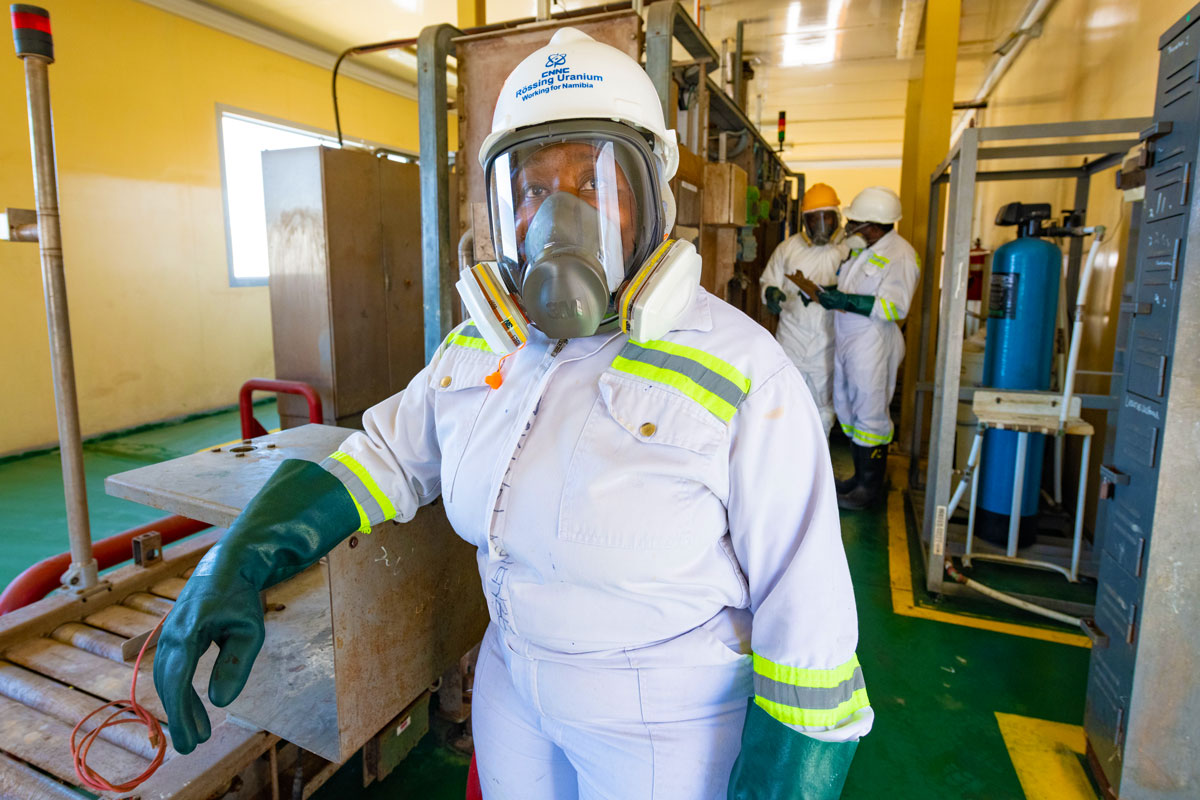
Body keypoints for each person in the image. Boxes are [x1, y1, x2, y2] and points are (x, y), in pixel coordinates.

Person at [154, 28, 872, 800]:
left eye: (592, 184)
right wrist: (239, 556)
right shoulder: (476, 352)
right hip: (513, 690)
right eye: (532, 188)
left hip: (666, 724)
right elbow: (383, 459)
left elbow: (810, 628)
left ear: (653, 197)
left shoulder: (744, 371)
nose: (556, 217)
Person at [792, 186, 919, 511]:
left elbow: (896, 307)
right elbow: (850, 288)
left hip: (873, 344)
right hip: (849, 339)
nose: (850, 227)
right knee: (849, 407)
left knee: (870, 411)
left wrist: (844, 300)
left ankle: (868, 491)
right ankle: (857, 478)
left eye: (856, 222)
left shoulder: (900, 255)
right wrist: (823, 292)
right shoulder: (864, 249)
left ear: (876, 225)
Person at [760, 183, 849, 435]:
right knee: (786, 397)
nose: (821, 226)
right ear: (805, 221)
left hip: (828, 340)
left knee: (823, 406)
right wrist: (770, 292)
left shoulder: (847, 250)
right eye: (815, 219)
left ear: (837, 218)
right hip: (791, 337)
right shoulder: (788, 248)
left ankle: (819, 464)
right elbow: (769, 279)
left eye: (827, 218)